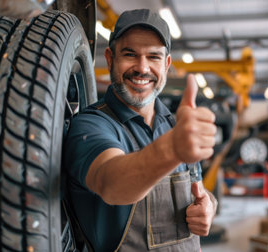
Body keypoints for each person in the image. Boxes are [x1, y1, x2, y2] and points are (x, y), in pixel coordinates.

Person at [64, 8, 218, 252]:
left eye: (154, 57)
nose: (142, 68)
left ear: (167, 64)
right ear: (111, 58)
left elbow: (198, 186)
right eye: (130, 54)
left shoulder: (176, 124)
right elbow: (110, 182)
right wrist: (173, 148)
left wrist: (208, 206)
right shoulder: (90, 125)